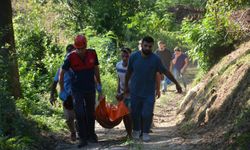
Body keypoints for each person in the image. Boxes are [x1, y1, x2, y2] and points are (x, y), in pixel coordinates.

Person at [124, 36, 182, 142]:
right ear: (141, 45)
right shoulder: (133, 57)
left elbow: (165, 71)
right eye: (145, 46)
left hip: (149, 92)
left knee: (147, 113)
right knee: (135, 113)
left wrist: (176, 83)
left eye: (150, 46)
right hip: (135, 91)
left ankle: (145, 132)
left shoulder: (155, 59)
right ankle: (136, 130)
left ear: (152, 46)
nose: (147, 48)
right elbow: (128, 72)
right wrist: (126, 86)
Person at [59, 35, 102, 148]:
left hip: (90, 88)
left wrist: (99, 83)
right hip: (77, 90)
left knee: (90, 113)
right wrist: (62, 89)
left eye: (82, 48)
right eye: (78, 48)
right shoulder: (70, 57)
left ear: (86, 46)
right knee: (80, 113)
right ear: (75, 47)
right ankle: (82, 138)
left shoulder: (92, 53)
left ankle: (91, 134)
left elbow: (96, 69)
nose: (80, 51)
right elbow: (62, 73)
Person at [49, 44, 77, 141]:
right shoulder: (61, 68)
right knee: (69, 118)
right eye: (69, 53)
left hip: (78, 95)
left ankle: (81, 132)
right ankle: (73, 132)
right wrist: (52, 95)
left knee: (80, 115)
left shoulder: (78, 66)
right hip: (66, 96)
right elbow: (54, 82)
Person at [116, 47, 133, 138]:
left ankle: (131, 133)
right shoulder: (118, 65)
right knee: (124, 115)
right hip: (122, 93)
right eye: (123, 55)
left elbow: (135, 82)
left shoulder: (133, 67)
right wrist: (118, 91)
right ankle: (128, 133)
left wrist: (124, 92)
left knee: (129, 113)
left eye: (127, 56)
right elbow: (119, 79)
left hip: (132, 94)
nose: (125, 58)